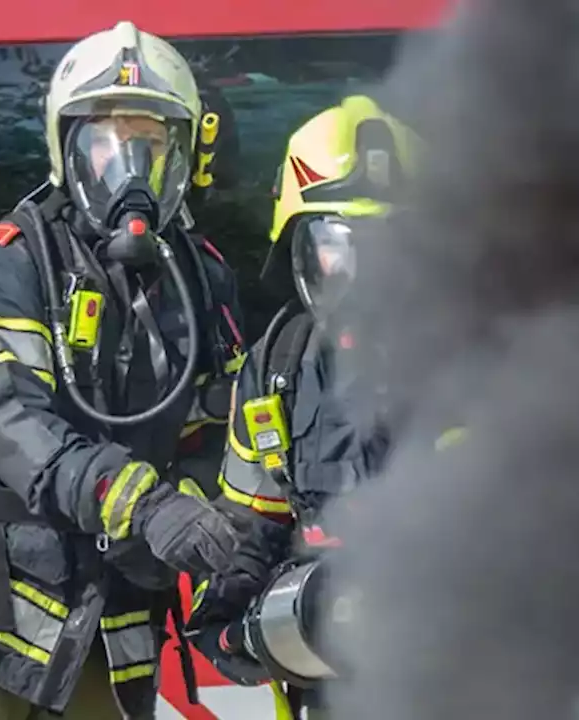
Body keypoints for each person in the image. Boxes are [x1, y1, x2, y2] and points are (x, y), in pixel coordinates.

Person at [0, 21, 265, 719]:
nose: (127, 166)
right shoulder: (2, 264)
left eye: (151, 143)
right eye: (105, 142)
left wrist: (212, 521)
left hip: (108, 630)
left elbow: (215, 433)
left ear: (185, 154)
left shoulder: (203, 281)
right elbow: (14, 421)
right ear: (67, 150)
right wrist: (144, 506)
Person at [184, 94, 416, 718]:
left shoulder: (477, 360)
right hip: (326, 681)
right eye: (338, 241)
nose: (360, 271)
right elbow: (253, 521)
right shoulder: (277, 365)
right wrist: (233, 615)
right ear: (301, 250)